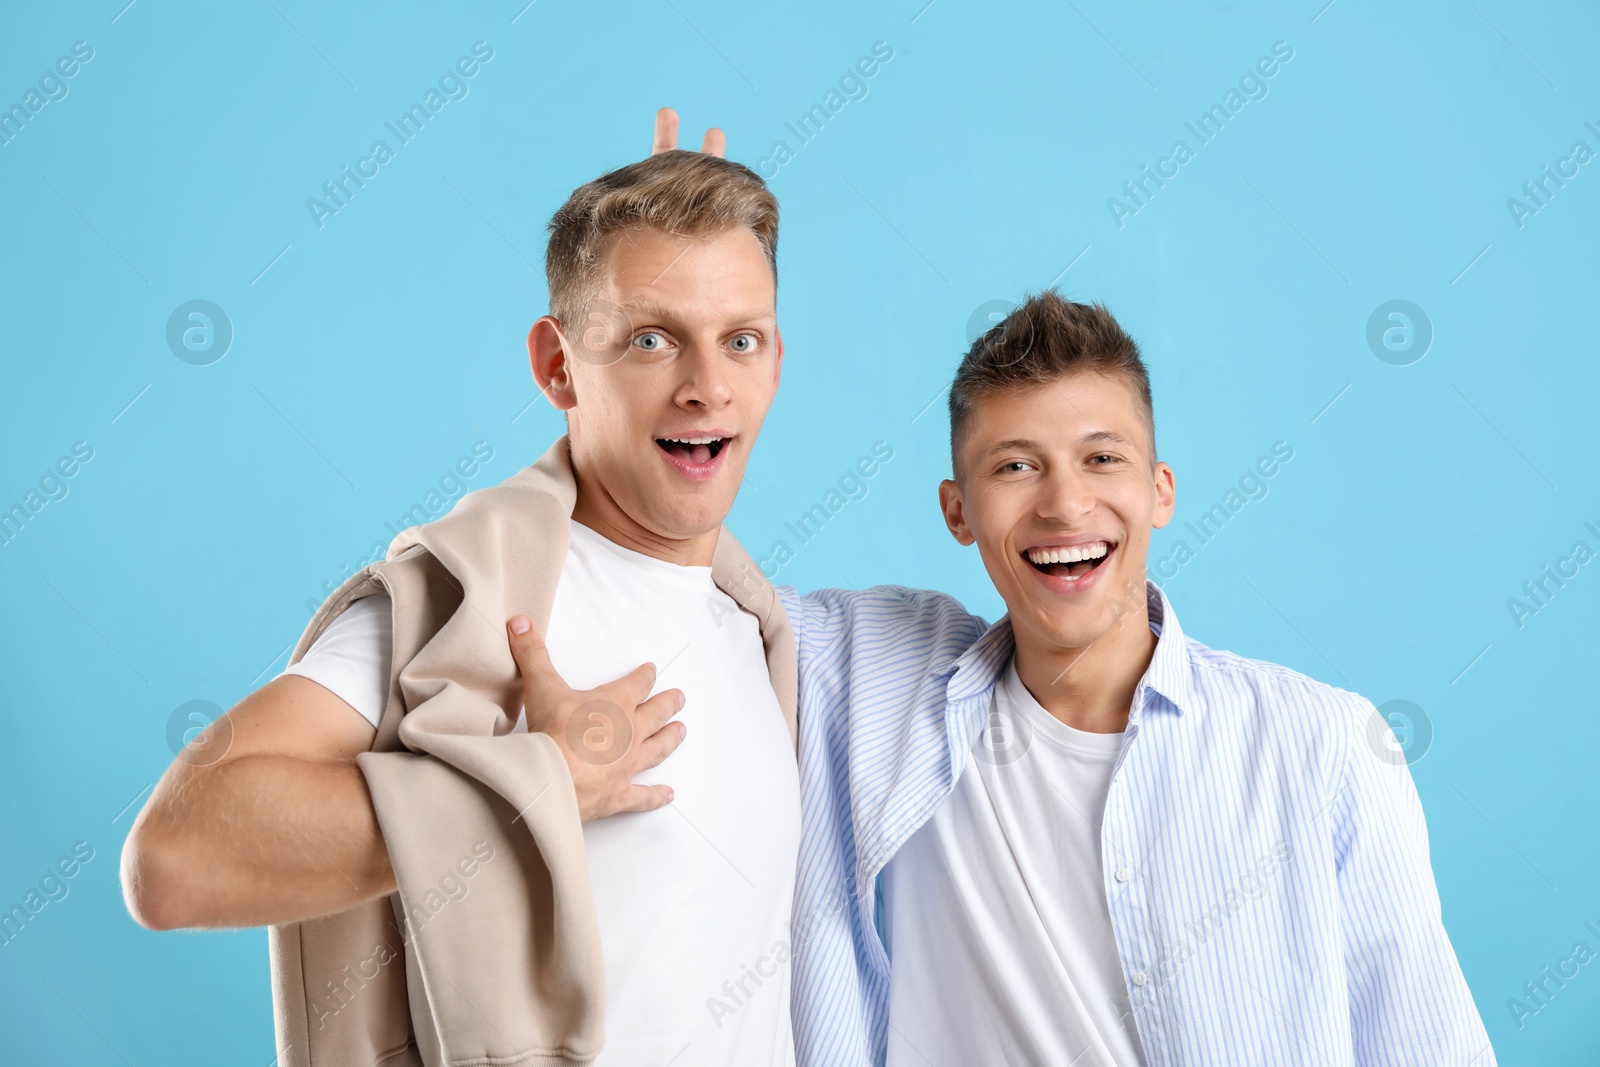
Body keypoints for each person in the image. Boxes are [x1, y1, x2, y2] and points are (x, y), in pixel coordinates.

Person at [121, 118, 808, 1065]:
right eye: (651, 338)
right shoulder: (468, 604)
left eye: (740, 338)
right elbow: (173, 857)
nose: (706, 385)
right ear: (558, 364)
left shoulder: (761, 633)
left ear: (776, 362)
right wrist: (537, 786)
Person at [783, 291, 1497, 1066]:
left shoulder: (1325, 746)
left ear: (1160, 489)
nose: (1065, 503)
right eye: (1016, 465)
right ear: (958, 511)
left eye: (1101, 457)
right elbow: (679, 558)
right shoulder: (878, 680)